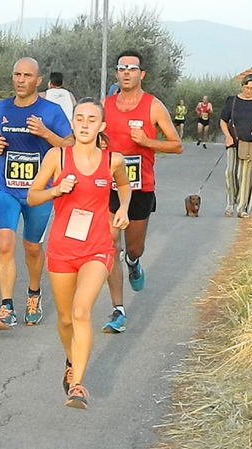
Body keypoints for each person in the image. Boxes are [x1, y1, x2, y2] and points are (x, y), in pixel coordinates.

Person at [27, 98, 131, 409]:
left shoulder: (113, 160)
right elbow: (33, 196)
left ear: (101, 126)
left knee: (82, 311)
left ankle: (78, 386)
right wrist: (55, 191)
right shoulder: (56, 156)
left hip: (97, 247)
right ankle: (72, 359)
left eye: (91, 119)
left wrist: (123, 209)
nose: (85, 124)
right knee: (64, 318)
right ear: (73, 123)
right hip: (62, 248)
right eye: (80, 118)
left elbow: (124, 187)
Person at [0, 57, 74, 330]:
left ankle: (34, 294)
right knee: (4, 243)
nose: (21, 80)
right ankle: (6, 307)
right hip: (5, 187)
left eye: (27, 75)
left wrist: (46, 133)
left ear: (38, 81)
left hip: (39, 191)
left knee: (32, 248)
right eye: (17, 74)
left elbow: (69, 145)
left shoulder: (51, 111)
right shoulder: (0, 107)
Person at [102, 50, 183, 333]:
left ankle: (134, 262)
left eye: (132, 69)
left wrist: (147, 141)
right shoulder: (105, 105)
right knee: (110, 245)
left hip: (140, 187)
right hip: (110, 186)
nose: (126, 73)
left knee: (132, 247)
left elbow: (176, 145)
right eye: (121, 68)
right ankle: (118, 310)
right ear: (116, 73)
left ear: (142, 74)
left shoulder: (153, 106)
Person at [220, 73, 252, 218]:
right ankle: (230, 203)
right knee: (230, 172)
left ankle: (242, 208)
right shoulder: (232, 101)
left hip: (251, 143)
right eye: (247, 87)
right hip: (233, 141)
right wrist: (227, 136)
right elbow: (223, 120)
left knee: (245, 176)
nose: (249, 91)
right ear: (242, 86)